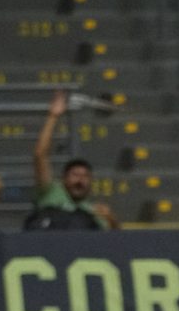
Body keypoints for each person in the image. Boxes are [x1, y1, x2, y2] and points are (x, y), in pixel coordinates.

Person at [27, 89, 119, 230]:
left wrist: (112, 220)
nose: (80, 180)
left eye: (85, 176)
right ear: (63, 179)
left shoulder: (93, 213)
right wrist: (53, 116)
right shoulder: (50, 192)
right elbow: (40, 155)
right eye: (75, 175)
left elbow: (120, 240)